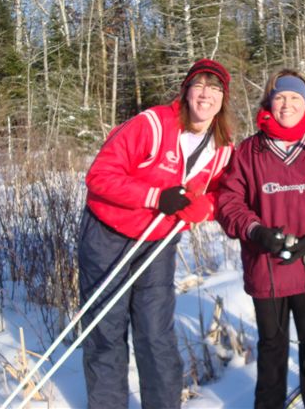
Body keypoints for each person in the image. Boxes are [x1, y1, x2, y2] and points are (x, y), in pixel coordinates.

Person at [78, 59, 234, 409]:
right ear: (186, 90)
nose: (206, 94)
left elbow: (225, 194)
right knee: (106, 332)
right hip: (108, 235)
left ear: (224, 99)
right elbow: (99, 176)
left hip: (158, 243)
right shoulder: (151, 125)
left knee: (156, 335)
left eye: (215, 88)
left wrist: (204, 208)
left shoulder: (222, 147)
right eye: (200, 85)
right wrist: (155, 196)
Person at [216, 69, 305, 409]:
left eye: (295, 98)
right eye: (280, 97)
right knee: (272, 349)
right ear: (269, 102)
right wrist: (257, 231)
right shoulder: (249, 151)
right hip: (267, 268)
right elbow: (229, 202)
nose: (286, 104)